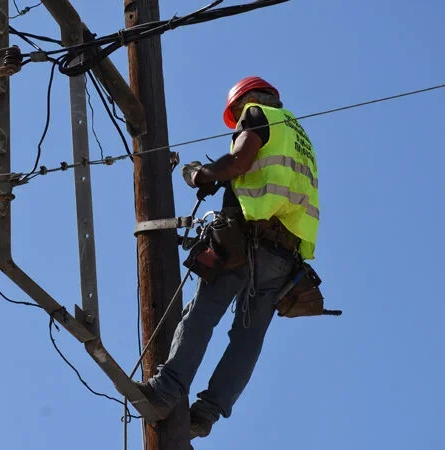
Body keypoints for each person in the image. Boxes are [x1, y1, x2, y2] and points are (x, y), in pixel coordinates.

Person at [136, 76, 321, 440]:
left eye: (236, 113)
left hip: (247, 241)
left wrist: (200, 174)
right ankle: (204, 415)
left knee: (202, 313)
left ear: (248, 99)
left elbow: (238, 162)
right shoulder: (300, 136)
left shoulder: (257, 114)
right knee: (247, 338)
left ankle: (164, 393)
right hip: (285, 258)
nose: (237, 121)